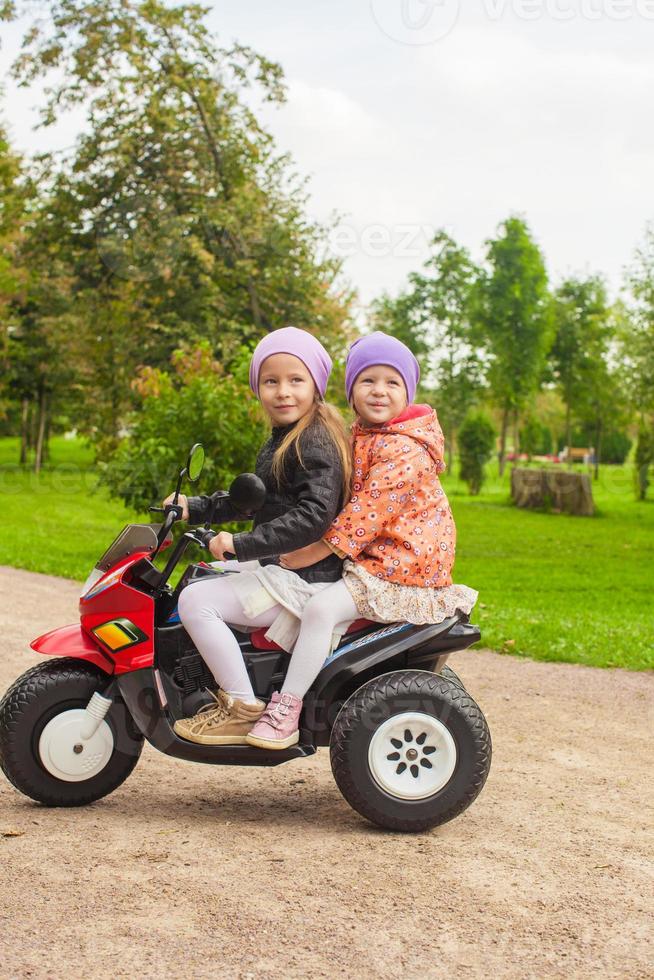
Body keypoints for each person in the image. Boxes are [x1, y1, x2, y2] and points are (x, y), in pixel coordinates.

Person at [245, 331, 477, 750]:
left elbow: (364, 515)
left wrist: (309, 552)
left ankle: (287, 709)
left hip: (400, 568)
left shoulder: (405, 448)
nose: (379, 391)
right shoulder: (365, 434)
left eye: (392, 383)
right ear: (351, 392)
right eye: (367, 381)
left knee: (319, 609)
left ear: (408, 391)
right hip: (375, 558)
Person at [166, 326, 351, 746]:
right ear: (258, 388)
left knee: (195, 602)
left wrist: (241, 543)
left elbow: (314, 516)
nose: (283, 391)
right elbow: (253, 501)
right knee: (201, 575)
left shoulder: (314, 440)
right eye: (271, 381)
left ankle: (241, 706)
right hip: (283, 570)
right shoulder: (284, 438)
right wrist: (194, 507)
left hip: (305, 582)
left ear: (316, 386)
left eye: (295, 380)